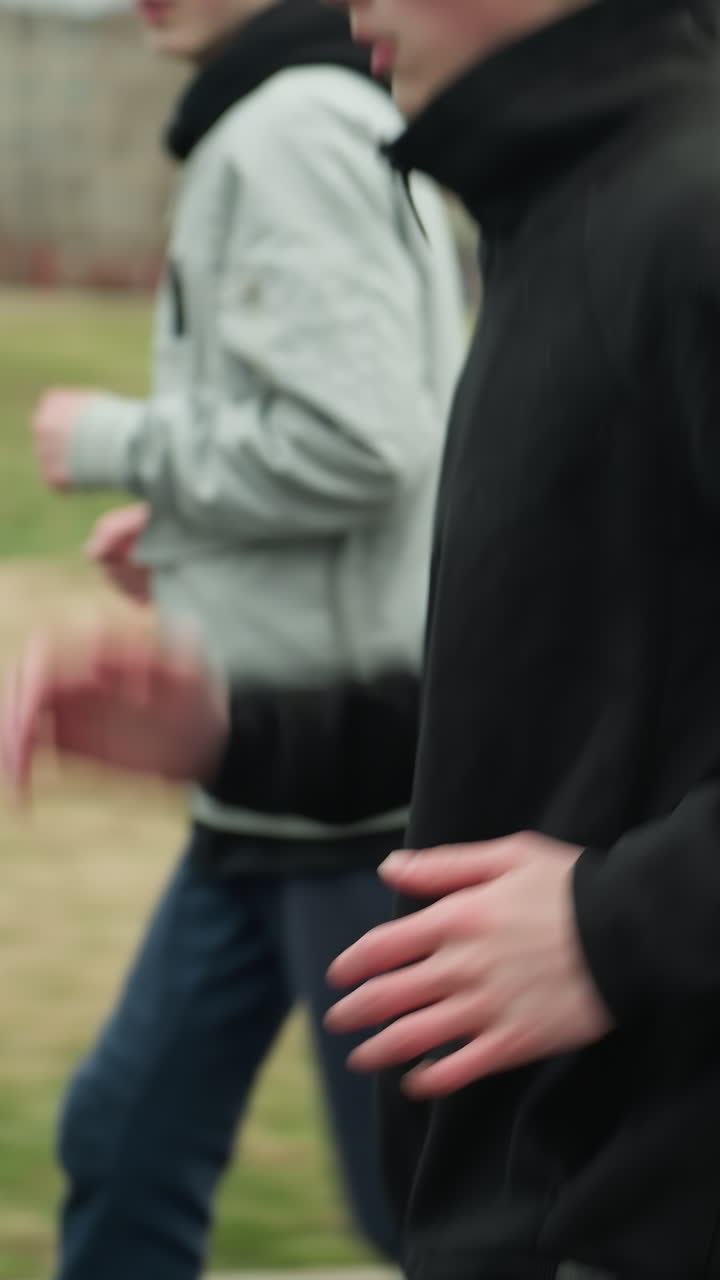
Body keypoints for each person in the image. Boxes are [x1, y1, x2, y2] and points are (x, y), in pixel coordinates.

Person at [14, 0, 720, 1278]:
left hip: (626, 1203)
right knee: (127, 1131)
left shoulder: (684, 212)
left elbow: (357, 443)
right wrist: (245, 735)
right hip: (535, 1185)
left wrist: (621, 925)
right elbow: (568, 709)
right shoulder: (558, 212)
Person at [21, 1, 465, 1277]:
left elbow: (360, 440)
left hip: (342, 798)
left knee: (420, 1210)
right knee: (126, 1132)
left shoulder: (284, 133)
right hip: (263, 787)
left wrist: (118, 440)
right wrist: (179, 528)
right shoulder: (317, 115)